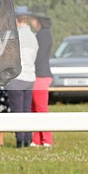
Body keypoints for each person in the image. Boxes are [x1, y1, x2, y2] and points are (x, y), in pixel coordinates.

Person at [6, 6, 38, 148]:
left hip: (17, 78)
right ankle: (27, 139)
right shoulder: (33, 36)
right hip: (30, 77)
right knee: (26, 109)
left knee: (17, 111)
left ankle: (20, 140)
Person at [29, 11, 53, 147]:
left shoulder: (43, 35)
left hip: (41, 75)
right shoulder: (43, 34)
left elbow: (38, 56)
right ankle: (37, 139)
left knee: (41, 108)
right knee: (35, 109)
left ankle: (47, 140)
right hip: (38, 74)